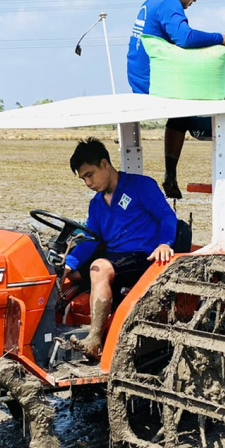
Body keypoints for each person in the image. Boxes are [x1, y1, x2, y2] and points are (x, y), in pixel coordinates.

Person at [127, 0, 225, 200]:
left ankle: (171, 172)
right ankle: (212, 120)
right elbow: (185, 38)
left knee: (183, 111)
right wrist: (221, 38)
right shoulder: (169, 4)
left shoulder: (152, 2)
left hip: (140, 78)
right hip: (154, 81)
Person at [64, 137, 177, 357]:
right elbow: (93, 238)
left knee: (99, 267)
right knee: (69, 273)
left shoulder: (141, 186)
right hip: (115, 257)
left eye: (90, 175)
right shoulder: (96, 203)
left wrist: (165, 243)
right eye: (83, 179)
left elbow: (167, 216)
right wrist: (68, 264)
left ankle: (94, 340)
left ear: (105, 164)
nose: (88, 183)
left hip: (143, 257)